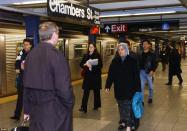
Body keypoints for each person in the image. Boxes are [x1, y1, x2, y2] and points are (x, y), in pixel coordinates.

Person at [23, 22, 74, 131]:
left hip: (35, 112)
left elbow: (26, 85)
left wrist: (27, 110)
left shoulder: (30, 55)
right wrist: (69, 104)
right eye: (58, 33)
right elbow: (64, 88)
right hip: (54, 113)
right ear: (54, 34)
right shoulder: (57, 56)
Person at [105, 43, 141, 131]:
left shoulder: (132, 60)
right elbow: (111, 75)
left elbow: (136, 76)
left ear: (126, 50)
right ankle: (123, 122)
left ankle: (129, 124)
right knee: (121, 106)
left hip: (130, 88)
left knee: (128, 106)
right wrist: (108, 86)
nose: (120, 51)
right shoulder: (115, 61)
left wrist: (138, 89)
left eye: (122, 49)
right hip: (119, 88)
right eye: (119, 50)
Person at [10, 38, 33, 120]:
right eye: (24, 44)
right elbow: (17, 62)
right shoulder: (21, 53)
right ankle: (17, 115)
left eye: (27, 45)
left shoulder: (33, 54)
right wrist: (17, 68)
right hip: (21, 79)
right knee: (20, 98)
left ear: (30, 45)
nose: (25, 46)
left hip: (30, 80)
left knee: (30, 99)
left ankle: (31, 116)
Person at [79, 43, 103, 113]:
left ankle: (96, 105)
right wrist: (85, 65)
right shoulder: (86, 55)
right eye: (89, 47)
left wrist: (91, 67)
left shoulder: (97, 56)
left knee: (96, 92)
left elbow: (100, 66)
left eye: (92, 47)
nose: (90, 48)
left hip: (95, 77)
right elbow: (81, 64)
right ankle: (84, 107)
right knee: (86, 92)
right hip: (87, 77)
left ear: (95, 48)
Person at [139, 40, 157, 104]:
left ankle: (150, 97)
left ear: (149, 45)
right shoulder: (140, 54)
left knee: (151, 87)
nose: (144, 45)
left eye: (146, 44)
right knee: (141, 87)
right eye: (143, 44)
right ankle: (142, 100)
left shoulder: (152, 54)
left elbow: (155, 63)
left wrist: (153, 70)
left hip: (149, 72)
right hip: (141, 72)